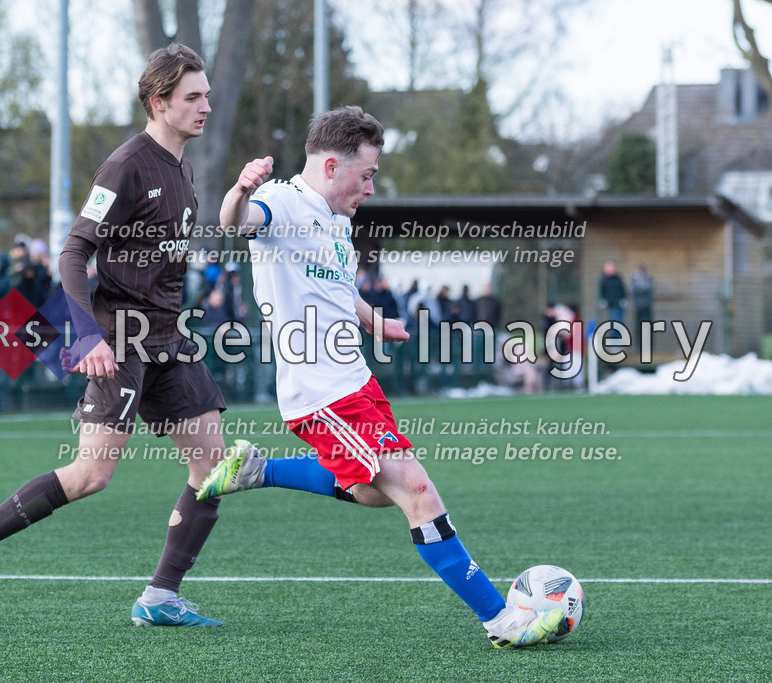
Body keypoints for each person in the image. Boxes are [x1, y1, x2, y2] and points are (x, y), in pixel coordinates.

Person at [208, 105, 563, 649]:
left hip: (356, 382)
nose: (371, 188)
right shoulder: (281, 202)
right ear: (330, 166)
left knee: (374, 494)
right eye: (367, 174)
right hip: (320, 394)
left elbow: (337, 289)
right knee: (418, 488)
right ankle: (500, 619)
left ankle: (257, 471)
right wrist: (238, 189)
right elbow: (234, 224)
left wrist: (376, 321)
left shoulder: (337, 221)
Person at [0, 43, 236, 628]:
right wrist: (88, 335)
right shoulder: (124, 165)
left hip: (167, 339)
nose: (205, 107)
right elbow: (74, 254)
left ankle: (160, 598)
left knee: (214, 466)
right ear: (159, 102)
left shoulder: (184, 164)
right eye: (192, 97)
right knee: (92, 475)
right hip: (118, 339)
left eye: (206, 95)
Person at [598, 259, 627, 328]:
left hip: (619, 304)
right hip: (611, 305)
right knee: (614, 324)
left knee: (620, 324)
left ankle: (619, 338)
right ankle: (613, 338)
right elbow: (602, 291)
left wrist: (624, 298)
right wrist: (603, 300)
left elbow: (622, 289)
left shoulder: (617, 278)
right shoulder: (603, 279)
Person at [630, 264, 655, 333]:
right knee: (638, 323)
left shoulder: (648, 278)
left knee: (648, 322)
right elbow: (632, 290)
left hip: (647, 304)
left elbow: (651, 288)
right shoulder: (634, 278)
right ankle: (639, 338)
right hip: (638, 305)